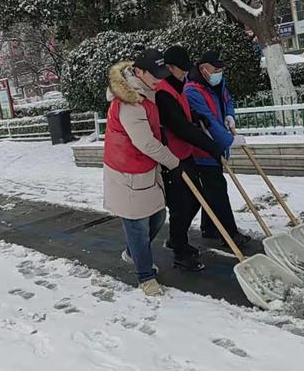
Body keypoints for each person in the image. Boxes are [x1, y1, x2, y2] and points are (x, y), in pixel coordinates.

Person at [103, 49, 184, 297]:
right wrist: (174, 161)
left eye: (162, 74)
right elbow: (145, 142)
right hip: (126, 170)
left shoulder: (146, 91)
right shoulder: (129, 102)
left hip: (144, 167)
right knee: (137, 224)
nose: (159, 80)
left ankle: (133, 253)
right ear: (138, 72)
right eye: (155, 75)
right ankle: (145, 276)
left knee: (158, 215)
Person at [156, 45, 223, 271]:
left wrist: (197, 116)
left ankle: (177, 239)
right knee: (180, 205)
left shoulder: (178, 85)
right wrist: (211, 146)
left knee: (196, 199)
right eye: (181, 69)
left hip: (185, 153)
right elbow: (179, 126)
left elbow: (183, 114)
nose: (185, 73)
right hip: (171, 158)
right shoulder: (162, 92)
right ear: (169, 68)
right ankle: (180, 251)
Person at [184, 52, 251, 247]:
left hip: (217, 148)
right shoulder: (192, 91)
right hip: (204, 149)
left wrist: (230, 116)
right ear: (203, 69)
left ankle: (209, 227)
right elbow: (209, 122)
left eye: (221, 69)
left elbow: (227, 100)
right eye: (215, 70)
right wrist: (228, 141)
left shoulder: (216, 84)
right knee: (218, 190)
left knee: (211, 190)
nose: (219, 73)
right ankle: (229, 233)